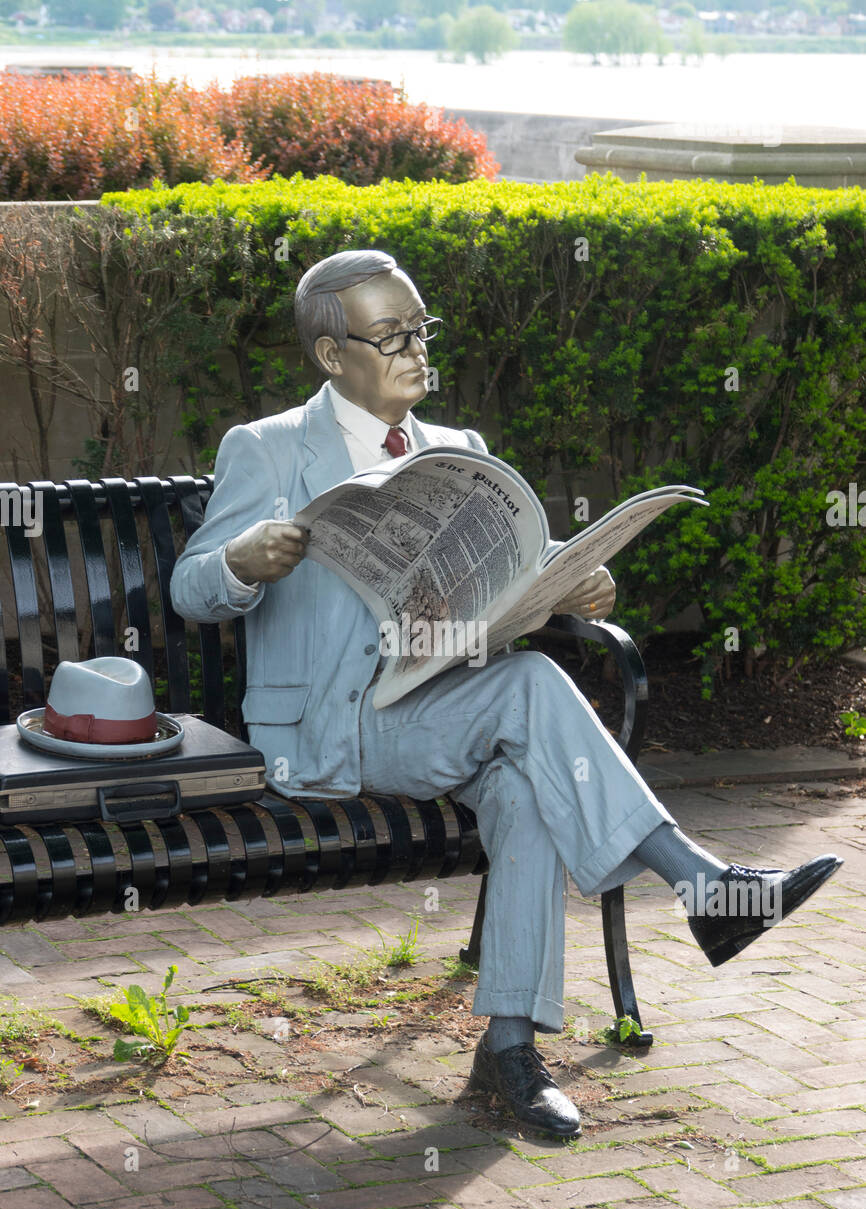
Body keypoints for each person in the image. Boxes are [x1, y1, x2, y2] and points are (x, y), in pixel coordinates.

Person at [171, 249, 843, 1139]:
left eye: (422, 329)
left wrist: (574, 590)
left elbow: (507, 585)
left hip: (445, 708)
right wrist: (240, 563)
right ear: (333, 356)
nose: (416, 350)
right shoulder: (265, 449)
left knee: (527, 782)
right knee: (529, 686)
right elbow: (190, 589)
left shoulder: (460, 453)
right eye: (391, 336)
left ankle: (510, 1050)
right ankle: (704, 885)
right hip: (333, 729)